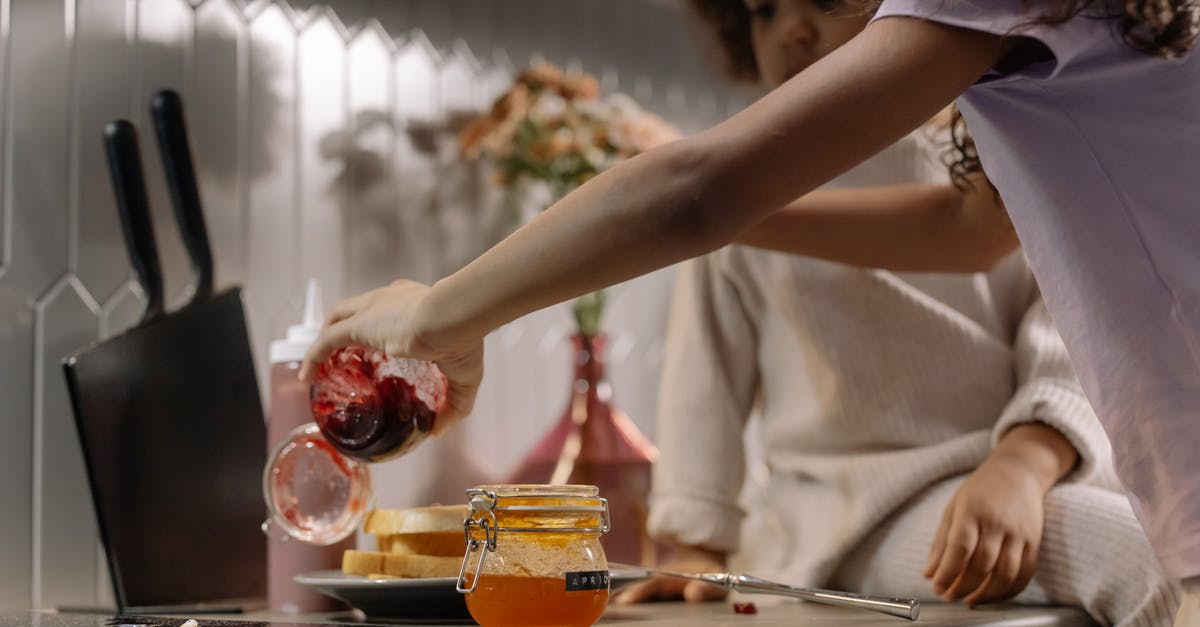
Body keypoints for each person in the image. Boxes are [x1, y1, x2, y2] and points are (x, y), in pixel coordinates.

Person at [300, 2, 1200, 623]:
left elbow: (697, 192)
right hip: (862, 507)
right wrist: (694, 534)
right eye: (765, 10)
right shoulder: (1012, 94)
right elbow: (971, 230)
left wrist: (441, 316)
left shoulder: (963, 97)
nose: (797, 26)